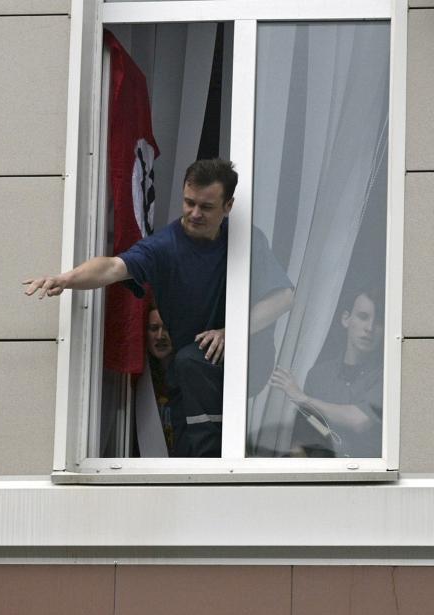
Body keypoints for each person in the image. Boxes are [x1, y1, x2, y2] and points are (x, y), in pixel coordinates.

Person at [25, 158, 293, 457]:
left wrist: (231, 331)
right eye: (189, 202)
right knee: (182, 448)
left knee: (193, 367)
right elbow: (113, 267)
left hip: (246, 358)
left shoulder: (245, 239)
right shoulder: (164, 246)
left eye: (206, 207)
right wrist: (66, 278)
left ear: (227, 206)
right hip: (189, 370)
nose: (194, 213)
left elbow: (284, 297)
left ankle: (221, 460)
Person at [270, 288, 383, 458]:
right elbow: (306, 435)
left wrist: (304, 399)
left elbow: (359, 420)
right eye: (363, 317)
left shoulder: (387, 376)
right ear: (346, 319)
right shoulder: (318, 375)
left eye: (379, 321)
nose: (370, 327)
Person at [146, 306, 179, 453]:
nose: (160, 336)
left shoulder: (187, 375)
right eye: (154, 328)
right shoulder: (137, 382)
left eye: (166, 328)